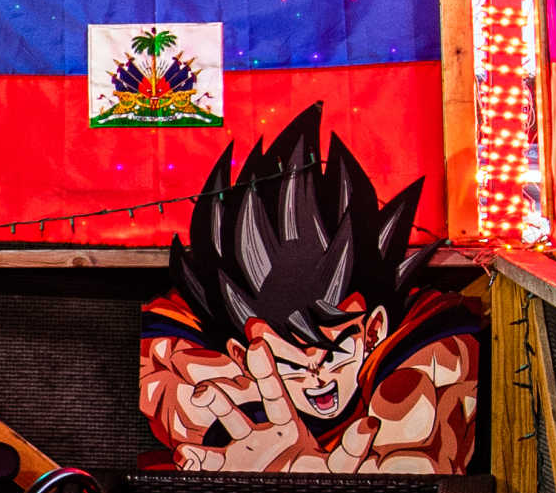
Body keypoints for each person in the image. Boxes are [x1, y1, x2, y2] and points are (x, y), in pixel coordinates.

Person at [137, 105, 481, 473]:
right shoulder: (182, 342)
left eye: (334, 354)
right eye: (289, 363)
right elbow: (178, 398)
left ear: (374, 329)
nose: (317, 379)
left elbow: (419, 459)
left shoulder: (430, 345)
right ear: (240, 353)